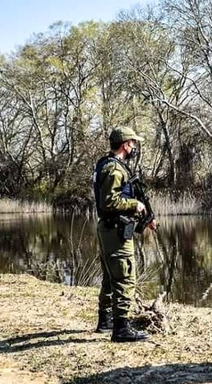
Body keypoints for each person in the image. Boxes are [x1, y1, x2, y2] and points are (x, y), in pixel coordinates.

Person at [92, 126, 158, 343]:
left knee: (111, 278)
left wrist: (145, 213)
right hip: (115, 231)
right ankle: (121, 328)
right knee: (124, 277)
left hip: (109, 229)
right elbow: (109, 201)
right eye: (133, 143)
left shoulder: (108, 165)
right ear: (125, 144)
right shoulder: (114, 170)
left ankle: (105, 320)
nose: (135, 147)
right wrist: (134, 204)